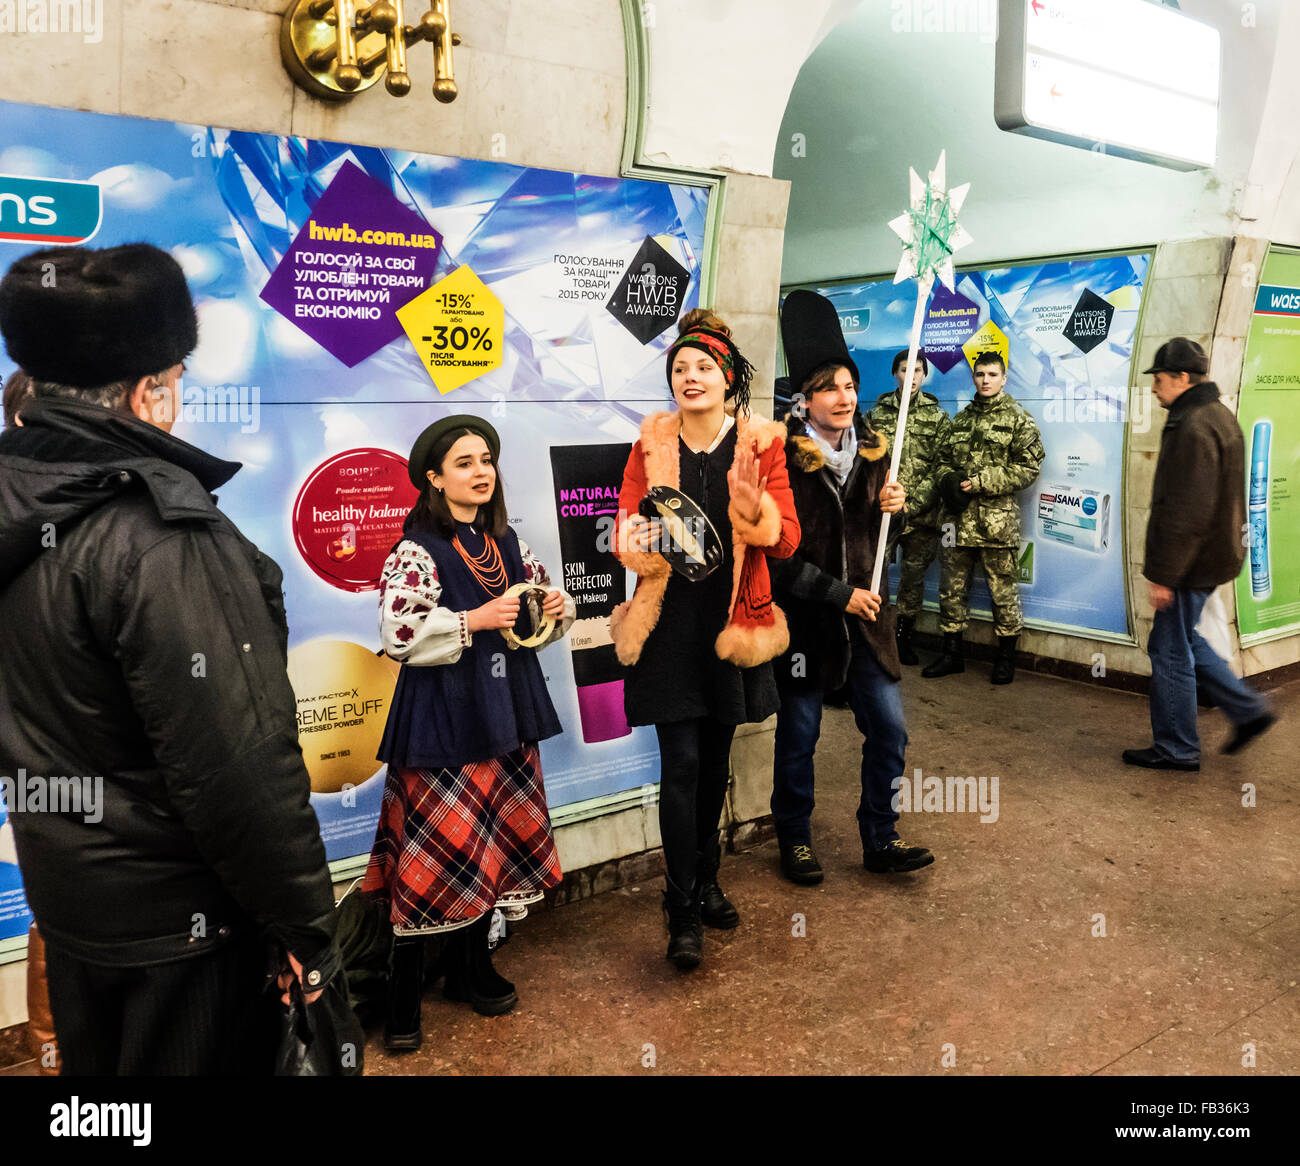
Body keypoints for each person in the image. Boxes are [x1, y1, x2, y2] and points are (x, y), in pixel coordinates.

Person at [0, 243, 340, 1075]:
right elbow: (237, 765)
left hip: (75, 907)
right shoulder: (159, 535)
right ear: (153, 391)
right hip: (184, 934)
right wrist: (304, 929)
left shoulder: (18, 495)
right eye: (177, 376)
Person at [362, 414, 573, 1045]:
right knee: (434, 858)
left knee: (489, 849)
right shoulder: (416, 550)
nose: (481, 472)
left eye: (486, 460)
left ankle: (470, 968)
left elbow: (529, 628)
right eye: (464, 463)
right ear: (433, 477)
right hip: (444, 719)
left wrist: (550, 610)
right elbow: (397, 636)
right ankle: (405, 995)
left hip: (503, 710)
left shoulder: (508, 544)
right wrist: (476, 617)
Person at [612, 308, 800, 969]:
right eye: (679, 369)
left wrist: (757, 517)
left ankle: (709, 878)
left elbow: (788, 540)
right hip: (667, 629)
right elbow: (624, 529)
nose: (690, 378)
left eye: (703, 368)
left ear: (727, 379)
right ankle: (682, 907)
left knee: (716, 767)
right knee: (682, 766)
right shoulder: (649, 447)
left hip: (730, 627)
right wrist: (631, 543)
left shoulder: (760, 446)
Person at [769, 290, 933, 884]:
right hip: (808, 627)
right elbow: (777, 560)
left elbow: (885, 537)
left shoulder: (875, 452)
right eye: (830, 387)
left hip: (870, 625)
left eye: (850, 385)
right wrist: (840, 595)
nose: (845, 397)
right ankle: (795, 839)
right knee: (800, 737)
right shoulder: (782, 462)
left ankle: (881, 837)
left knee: (889, 730)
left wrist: (900, 507)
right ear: (805, 399)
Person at [1122, 338, 1275, 770]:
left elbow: (1186, 510)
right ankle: (1248, 710)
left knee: (1168, 649)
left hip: (1190, 563)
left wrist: (1164, 575)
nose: (1154, 390)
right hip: (1213, 556)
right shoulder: (1220, 415)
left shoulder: (1191, 425)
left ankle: (1177, 747)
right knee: (1185, 638)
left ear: (1182, 378)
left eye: (1160, 380)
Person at [921, 351, 1044, 684]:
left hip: (995, 523)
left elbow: (1029, 468)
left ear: (1004, 378)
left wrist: (980, 482)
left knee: (1002, 592)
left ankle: (1005, 659)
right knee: (951, 589)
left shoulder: (1019, 418)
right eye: (980, 375)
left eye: (992, 374)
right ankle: (952, 655)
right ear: (973, 378)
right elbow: (942, 461)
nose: (985, 380)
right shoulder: (961, 420)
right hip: (957, 521)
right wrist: (949, 480)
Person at [869, 349, 950, 665]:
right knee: (877, 575)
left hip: (921, 514)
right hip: (883, 513)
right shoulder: (877, 414)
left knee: (913, 579)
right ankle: (877, 636)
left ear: (924, 375)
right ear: (895, 374)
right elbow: (865, 462)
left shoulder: (937, 416)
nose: (912, 376)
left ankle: (904, 637)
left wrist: (913, 504)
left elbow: (941, 465)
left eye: (917, 370)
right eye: (905, 369)